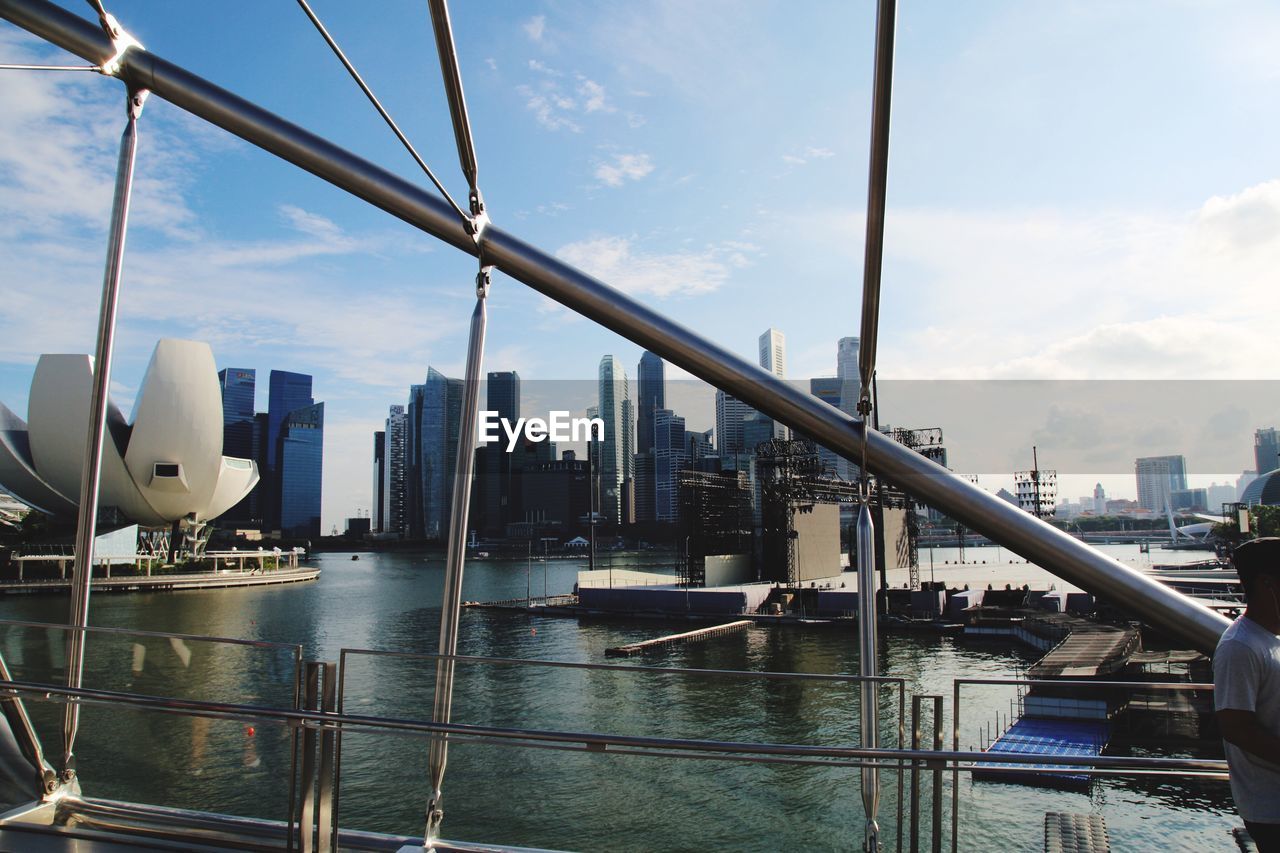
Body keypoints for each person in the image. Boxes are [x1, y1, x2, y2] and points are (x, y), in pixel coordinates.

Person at [1215, 537, 1280, 851]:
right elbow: (1236, 727)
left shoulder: (1271, 637)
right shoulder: (1240, 646)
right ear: (1267, 583)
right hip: (1271, 808)